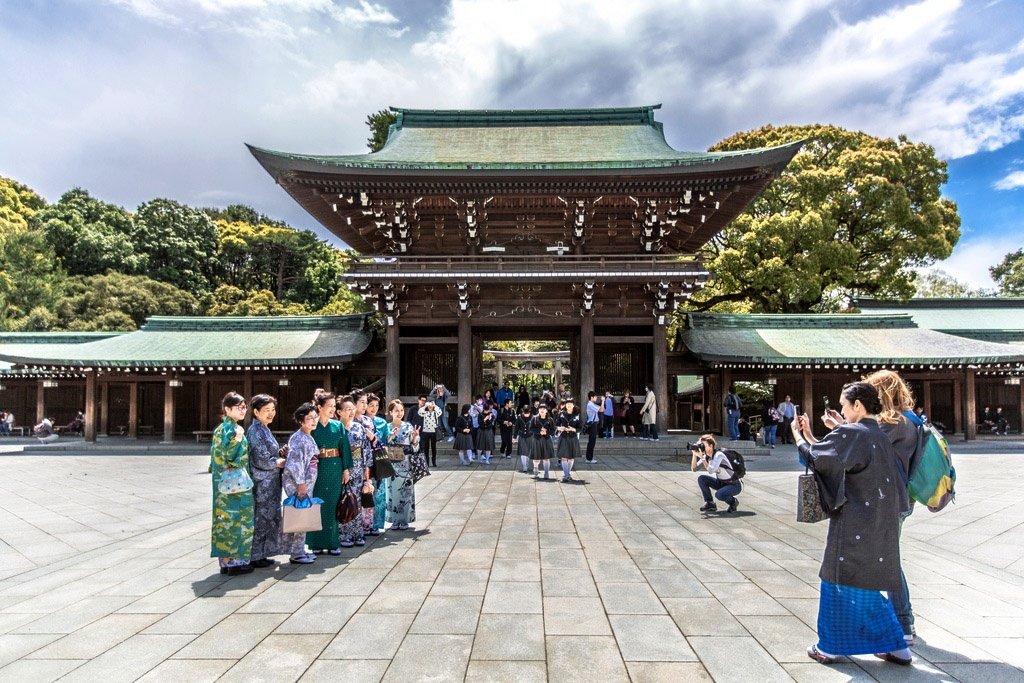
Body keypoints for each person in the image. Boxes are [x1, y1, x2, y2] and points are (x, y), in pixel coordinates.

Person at [792, 381, 912, 667]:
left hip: (855, 519)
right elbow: (839, 453)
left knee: (836, 578)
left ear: (858, 405)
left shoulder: (852, 432)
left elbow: (820, 459)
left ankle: (830, 647)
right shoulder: (879, 434)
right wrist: (817, 432)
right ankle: (897, 646)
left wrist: (798, 436)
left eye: (844, 406)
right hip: (881, 518)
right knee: (869, 583)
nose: (842, 411)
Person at [861, 370, 921, 644]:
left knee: (887, 561)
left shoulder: (893, 422)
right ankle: (899, 620)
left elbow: (862, 445)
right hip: (900, 498)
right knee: (885, 559)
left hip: (889, 499)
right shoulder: (910, 419)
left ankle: (902, 623)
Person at [210, 392, 254, 576]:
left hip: (224, 482)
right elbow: (228, 456)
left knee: (224, 519)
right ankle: (235, 561)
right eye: (239, 407)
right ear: (227, 409)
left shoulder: (224, 428)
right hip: (235, 482)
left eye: (244, 407)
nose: (243, 410)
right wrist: (237, 440)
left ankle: (226, 561)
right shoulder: (230, 430)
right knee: (237, 519)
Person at [246, 394, 285, 569]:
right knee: (261, 518)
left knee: (269, 518)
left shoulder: (264, 429)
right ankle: (255, 554)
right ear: (256, 411)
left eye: (273, 410)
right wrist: (277, 462)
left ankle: (263, 552)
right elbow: (260, 458)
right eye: (266, 410)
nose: (271, 413)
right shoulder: (254, 431)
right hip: (263, 482)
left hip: (271, 481)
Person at [307, 389, 344, 555]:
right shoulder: (312, 426)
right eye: (329, 406)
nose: (332, 409)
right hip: (317, 468)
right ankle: (315, 543)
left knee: (332, 504)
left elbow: (345, 449)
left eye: (334, 406)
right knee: (317, 504)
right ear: (319, 407)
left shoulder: (338, 425)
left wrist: (346, 469)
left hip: (335, 467)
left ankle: (332, 542)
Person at [280, 402, 319, 565]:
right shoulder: (299, 439)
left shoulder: (306, 436)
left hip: (306, 481)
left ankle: (300, 548)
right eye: (310, 418)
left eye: (315, 417)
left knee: (303, 513)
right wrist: (301, 483)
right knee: (299, 514)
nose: (314, 420)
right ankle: (296, 552)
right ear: (301, 421)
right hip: (298, 483)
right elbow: (295, 463)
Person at [338, 395, 371, 547]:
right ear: (339, 412)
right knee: (343, 500)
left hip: (358, 467)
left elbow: (366, 449)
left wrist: (367, 473)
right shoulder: (336, 428)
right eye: (347, 409)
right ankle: (344, 534)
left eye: (352, 409)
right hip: (342, 467)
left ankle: (357, 533)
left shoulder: (359, 427)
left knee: (356, 500)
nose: (351, 412)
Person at [385, 399, 421, 531]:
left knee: (405, 492)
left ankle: (404, 519)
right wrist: (390, 436)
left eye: (401, 410)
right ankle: (394, 519)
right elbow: (383, 444)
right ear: (390, 412)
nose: (399, 413)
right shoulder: (387, 427)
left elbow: (414, 444)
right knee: (392, 491)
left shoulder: (408, 426)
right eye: (396, 411)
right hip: (391, 463)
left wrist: (416, 437)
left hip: (405, 463)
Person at [351, 390, 381, 540]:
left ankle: (368, 525)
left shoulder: (368, 421)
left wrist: (373, 437)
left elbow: (376, 443)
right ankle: (354, 528)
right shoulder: (347, 421)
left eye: (365, 402)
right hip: (353, 463)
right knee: (353, 497)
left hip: (368, 462)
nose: (364, 405)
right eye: (361, 402)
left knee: (368, 493)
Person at [690, 434, 741, 513]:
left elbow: (711, 470)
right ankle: (710, 503)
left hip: (733, 485)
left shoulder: (719, 455)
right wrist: (694, 455)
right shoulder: (706, 456)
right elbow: (694, 469)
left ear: (710, 446)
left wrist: (702, 458)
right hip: (720, 482)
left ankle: (733, 502)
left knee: (719, 494)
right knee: (702, 479)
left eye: (703, 445)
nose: (701, 448)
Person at [366, 393, 390, 537]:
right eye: (371, 405)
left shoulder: (382, 423)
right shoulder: (361, 422)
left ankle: (377, 523)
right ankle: (366, 523)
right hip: (367, 460)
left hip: (379, 458)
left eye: (376, 405)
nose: (374, 408)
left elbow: (386, 442)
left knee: (380, 492)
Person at [555, 398, 581, 482]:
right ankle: (566, 475)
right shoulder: (561, 414)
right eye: (567, 403)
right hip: (563, 437)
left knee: (571, 458)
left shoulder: (577, 414)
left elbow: (580, 428)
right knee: (563, 457)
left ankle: (568, 473)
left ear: (573, 405)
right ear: (565, 405)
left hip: (573, 437)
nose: (569, 405)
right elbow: (556, 425)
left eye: (571, 403)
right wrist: (560, 428)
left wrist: (574, 429)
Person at [531, 404, 555, 479]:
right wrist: (539, 431)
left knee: (546, 458)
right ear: (538, 410)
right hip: (537, 439)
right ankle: (535, 468)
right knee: (536, 458)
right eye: (540, 408)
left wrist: (546, 432)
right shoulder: (534, 419)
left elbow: (553, 430)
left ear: (546, 410)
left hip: (546, 439)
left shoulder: (550, 419)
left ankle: (546, 473)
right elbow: (531, 428)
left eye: (544, 408)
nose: (542, 410)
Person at [418, 395, 440, 467]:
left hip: (433, 432)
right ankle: (427, 462)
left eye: (431, 406)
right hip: (426, 432)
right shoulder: (425, 413)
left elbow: (440, 412)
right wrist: (425, 406)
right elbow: (419, 412)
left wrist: (435, 405)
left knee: (434, 448)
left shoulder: (435, 413)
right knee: (426, 448)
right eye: (429, 406)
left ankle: (434, 462)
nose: (430, 407)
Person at [475, 400, 497, 465]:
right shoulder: (480, 415)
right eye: (486, 410)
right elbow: (480, 424)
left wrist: (490, 419)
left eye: (489, 410)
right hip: (481, 431)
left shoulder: (491, 415)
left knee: (488, 446)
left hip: (489, 431)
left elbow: (491, 425)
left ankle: (487, 460)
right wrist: (485, 419)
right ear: (484, 409)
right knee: (480, 447)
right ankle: (479, 458)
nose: (488, 412)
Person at [514, 404, 534, 473]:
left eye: (527, 412)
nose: (526, 414)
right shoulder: (519, 418)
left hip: (530, 436)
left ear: (529, 411)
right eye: (525, 412)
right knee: (523, 451)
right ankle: (524, 466)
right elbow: (516, 428)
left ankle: (527, 465)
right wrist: (514, 437)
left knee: (528, 451)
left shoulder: (533, 417)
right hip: (522, 436)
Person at [584, 391, 600, 464]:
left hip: (593, 424)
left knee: (591, 441)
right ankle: (589, 458)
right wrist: (603, 401)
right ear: (592, 397)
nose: (596, 398)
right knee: (592, 441)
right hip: (592, 424)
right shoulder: (590, 404)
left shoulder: (592, 404)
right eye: (595, 397)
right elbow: (601, 409)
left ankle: (589, 458)